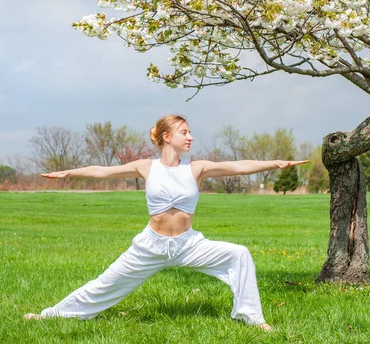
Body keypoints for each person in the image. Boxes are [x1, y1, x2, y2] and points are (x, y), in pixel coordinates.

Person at [23, 115, 307, 331]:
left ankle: (252, 318)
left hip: (188, 244)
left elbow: (239, 166)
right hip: (151, 246)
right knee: (104, 284)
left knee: (239, 254)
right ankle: (52, 314)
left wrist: (275, 163)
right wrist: (69, 173)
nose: (191, 137)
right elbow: (103, 171)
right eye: (185, 132)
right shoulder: (146, 167)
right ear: (167, 136)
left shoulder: (196, 168)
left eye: (190, 133)